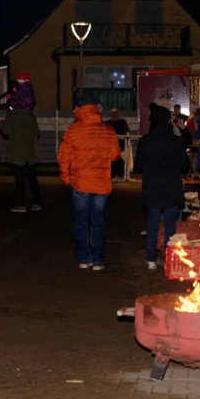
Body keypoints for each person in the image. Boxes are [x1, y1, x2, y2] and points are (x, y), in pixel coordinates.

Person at [58, 98, 122, 270]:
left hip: (79, 182)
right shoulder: (108, 130)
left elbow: (64, 158)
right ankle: (98, 260)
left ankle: (84, 258)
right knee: (98, 221)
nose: (72, 112)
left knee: (80, 221)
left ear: (80, 109)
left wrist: (66, 179)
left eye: (74, 109)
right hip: (101, 183)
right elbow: (116, 154)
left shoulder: (73, 131)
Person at [136, 104, 191, 270]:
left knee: (152, 225)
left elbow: (138, 166)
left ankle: (151, 259)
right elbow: (184, 165)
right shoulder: (174, 141)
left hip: (152, 187)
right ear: (167, 121)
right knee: (170, 226)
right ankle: (169, 258)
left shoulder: (145, 140)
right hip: (171, 187)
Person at [0, 75, 42, 213]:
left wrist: (2, 121)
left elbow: (5, 130)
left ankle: (21, 204)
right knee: (31, 178)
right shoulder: (30, 116)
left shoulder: (14, 115)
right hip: (30, 152)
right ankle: (36, 202)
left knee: (20, 180)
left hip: (18, 151)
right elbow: (36, 132)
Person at [107, 108, 130, 181]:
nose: (114, 116)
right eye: (113, 114)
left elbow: (127, 131)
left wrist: (127, 138)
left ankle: (120, 173)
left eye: (116, 114)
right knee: (113, 159)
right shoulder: (108, 123)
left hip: (121, 143)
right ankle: (113, 173)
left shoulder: (123, 122)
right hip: (111, 144)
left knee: (120, 158)